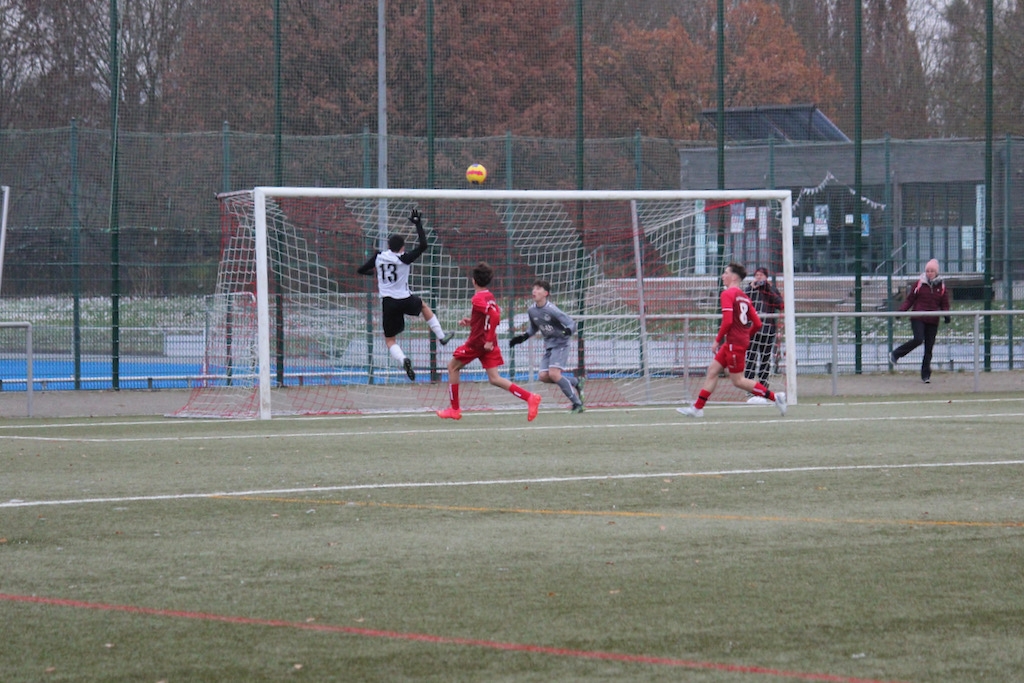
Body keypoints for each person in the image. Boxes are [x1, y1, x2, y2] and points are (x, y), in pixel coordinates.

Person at [677, 262, 787, 418]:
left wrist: (717, 340)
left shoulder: (727, 294)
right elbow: (757, 323)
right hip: (734, 342)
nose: (723, 276)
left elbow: (728, 321)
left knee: (738, 381)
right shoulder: (744, 297)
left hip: (734, 343)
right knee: (713, 371)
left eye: (726, 273)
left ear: (734, 277)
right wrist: (745, 335)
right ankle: (697, 408)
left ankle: (776, 397)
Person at [437, 262, 542, 421]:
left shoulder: (477, 298)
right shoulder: (489, 296)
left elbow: (495, 316)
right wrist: (473, 322)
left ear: (473, 280)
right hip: (489, 342)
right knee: (494, 378)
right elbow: (491, 316)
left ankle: (454, 409)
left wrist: (487, 339)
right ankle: (530, 397)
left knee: (452, 367)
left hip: (478, 343)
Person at [357, 208, 452, 381]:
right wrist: (418, 224)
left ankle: (403, 360)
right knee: (423, 306)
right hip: (405, 299)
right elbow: (423, 246)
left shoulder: (379, 257)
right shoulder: (404, 258)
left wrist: (372, 273)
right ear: (402, 247)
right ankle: (441, 336)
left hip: (388, 303)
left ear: (388, 246)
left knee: (390, 340)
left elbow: (361, 270)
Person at [509, 279, 585, 413]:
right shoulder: (532, 310)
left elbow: (571, 323)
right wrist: (522, 338)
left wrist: (566, 332)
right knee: (543, 376)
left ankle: (577, 404)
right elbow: (533, 329)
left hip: (561, 344)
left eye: (538, 289)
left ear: (546, 293)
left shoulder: (552, 310)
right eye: (534, 288)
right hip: (549, 345)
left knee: (554, 374)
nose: (534, 291)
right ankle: (575, 382)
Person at [890, 258, 951, 383]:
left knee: (929, 348)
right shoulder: (919, 284)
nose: (929, 273)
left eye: (932, 271)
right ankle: (896, 354)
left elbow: (944, 303)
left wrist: (946, 315)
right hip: (918, 317)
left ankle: (925, 375)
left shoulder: (941, 287)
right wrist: (901, 311)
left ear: (936, 272)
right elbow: (910, 299)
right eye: (927, 271)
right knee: (918, 339)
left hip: (933, 320)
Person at [743, 266, 784, 395]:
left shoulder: (771, 290)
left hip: (767, 330)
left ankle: (763, 386)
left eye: (761, 275)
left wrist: (767, 289)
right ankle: (749, 386)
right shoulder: (750, 290)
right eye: (757, 275)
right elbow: (742, 302)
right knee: (751, 358)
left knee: (765, 359)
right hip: (752, 330)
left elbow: (780, 304)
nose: (759, 277)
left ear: (766, 277)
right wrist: (751, 288)